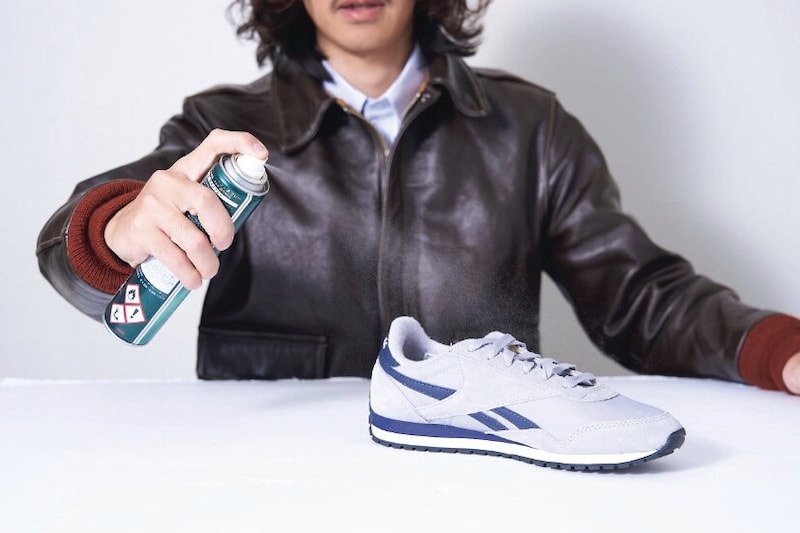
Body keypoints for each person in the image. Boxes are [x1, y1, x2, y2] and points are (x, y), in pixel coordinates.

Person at [36, 0, 800, 393]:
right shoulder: (220, 130)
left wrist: (780, 350)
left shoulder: (531, 129)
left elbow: (644, 301)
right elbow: (71, 246)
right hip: (271, 487)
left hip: (480, 480)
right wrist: (118, 228)